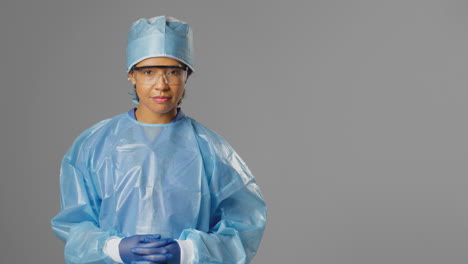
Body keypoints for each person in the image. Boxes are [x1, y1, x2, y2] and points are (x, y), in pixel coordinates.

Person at [50, 15, 267, 264]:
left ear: (187, 76)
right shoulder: (95, 145)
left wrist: (187, 251)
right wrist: (113, 248)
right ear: (132, 74)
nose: (161, 85)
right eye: (149, 71)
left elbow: (246, 226)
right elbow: (75, 224)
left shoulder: (212, 150)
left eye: (173, 71)